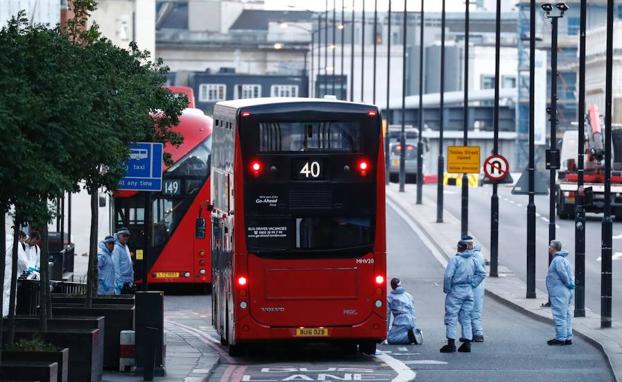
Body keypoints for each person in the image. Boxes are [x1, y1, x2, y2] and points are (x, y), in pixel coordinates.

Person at [440, 240, 486, 353]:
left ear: (458, 248)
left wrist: (447, 289)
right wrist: (473, 284)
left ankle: (451, 343)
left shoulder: (455, 260)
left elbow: (448, 276)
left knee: (451, 316)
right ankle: (467, 343)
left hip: (456, 290)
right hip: (468, 291)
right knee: (466, 317)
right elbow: (482, 273)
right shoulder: (473, 259)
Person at [545, 240, 575, 346]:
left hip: (559, 291)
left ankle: (560, 338)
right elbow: (570, 274)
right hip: (566, 291)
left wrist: (567, 283)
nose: (548, 248)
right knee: (566, 314)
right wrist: (570, 285)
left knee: (559, 315)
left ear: (554, 248)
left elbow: (562, 273)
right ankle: (568, 337)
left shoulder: (557, 260)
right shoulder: (564, 260)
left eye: (550, 246)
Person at [463, 235, 486, 342]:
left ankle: (477, 334)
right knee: (467, 310)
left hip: (475, 287)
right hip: (474, 287)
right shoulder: (471, 255)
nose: (468, 246)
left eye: (469, 244)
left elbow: (478, 273)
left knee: (474, 310)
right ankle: (471, 334)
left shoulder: (476, 256)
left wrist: (471, 284)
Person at [386, 278, 423, 345]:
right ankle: (414, 333)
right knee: (402, 332)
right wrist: (413, 326)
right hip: (411, 321)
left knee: (390, 339)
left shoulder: (390, 298)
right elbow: (412, 310)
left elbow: (387, 315)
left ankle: (410, 338)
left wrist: (386, 331)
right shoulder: (408, 295)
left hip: (400, 321)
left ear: (392, 286)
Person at [112, 227, 134, 294]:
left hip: (127, 281)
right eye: (124, 235)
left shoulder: (125, 247)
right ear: (119, 236)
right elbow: (116, 266)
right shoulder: (116, 248)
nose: (126, 237)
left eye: (127, 235)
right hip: (121, 282)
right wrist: (118, 281)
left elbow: (129, 263)